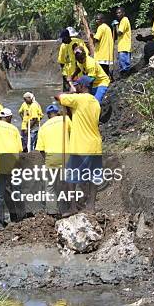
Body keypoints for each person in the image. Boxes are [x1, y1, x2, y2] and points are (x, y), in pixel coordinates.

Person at [55, 76, 102, 216]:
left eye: (77, 85)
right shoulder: (95, 102)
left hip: (81, 146)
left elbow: (58, 96)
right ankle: (91, 207)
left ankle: (73, 207)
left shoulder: (79, 99)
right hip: (95, 145)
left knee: (70, 178)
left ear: (81, 86)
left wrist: (71, 92)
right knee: (94, 177)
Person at [35, 104, 71, 215]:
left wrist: (47, 160)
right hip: (67, 156)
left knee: (50, 186)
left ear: (47, 115)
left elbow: (41, 150)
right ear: (58, 112)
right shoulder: (66, 120)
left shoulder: (43, 127)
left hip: (51, 159)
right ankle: (72, 207)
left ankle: (52, 212)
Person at [115, 8, 132, 75]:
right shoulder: (124, 20)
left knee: (124, 64)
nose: (118, 14)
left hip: (124, 45)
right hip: (124, 45)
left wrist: (116, 25)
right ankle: (125, 74)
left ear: (123, 13)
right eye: (117, 13)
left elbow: (119, 33)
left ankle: (126, 74)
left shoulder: (124, 20)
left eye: (119, 13)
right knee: (124, 63)